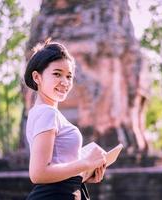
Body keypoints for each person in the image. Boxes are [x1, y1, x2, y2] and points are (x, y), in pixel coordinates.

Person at [24, 39, 106, 200]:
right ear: (37, 77)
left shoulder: (40, 112)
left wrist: (83, 174)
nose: (65, 82)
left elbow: (57, 165)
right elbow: (38, 174)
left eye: (69, 76)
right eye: (57, 74)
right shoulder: (47, 113)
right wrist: (86, 163)